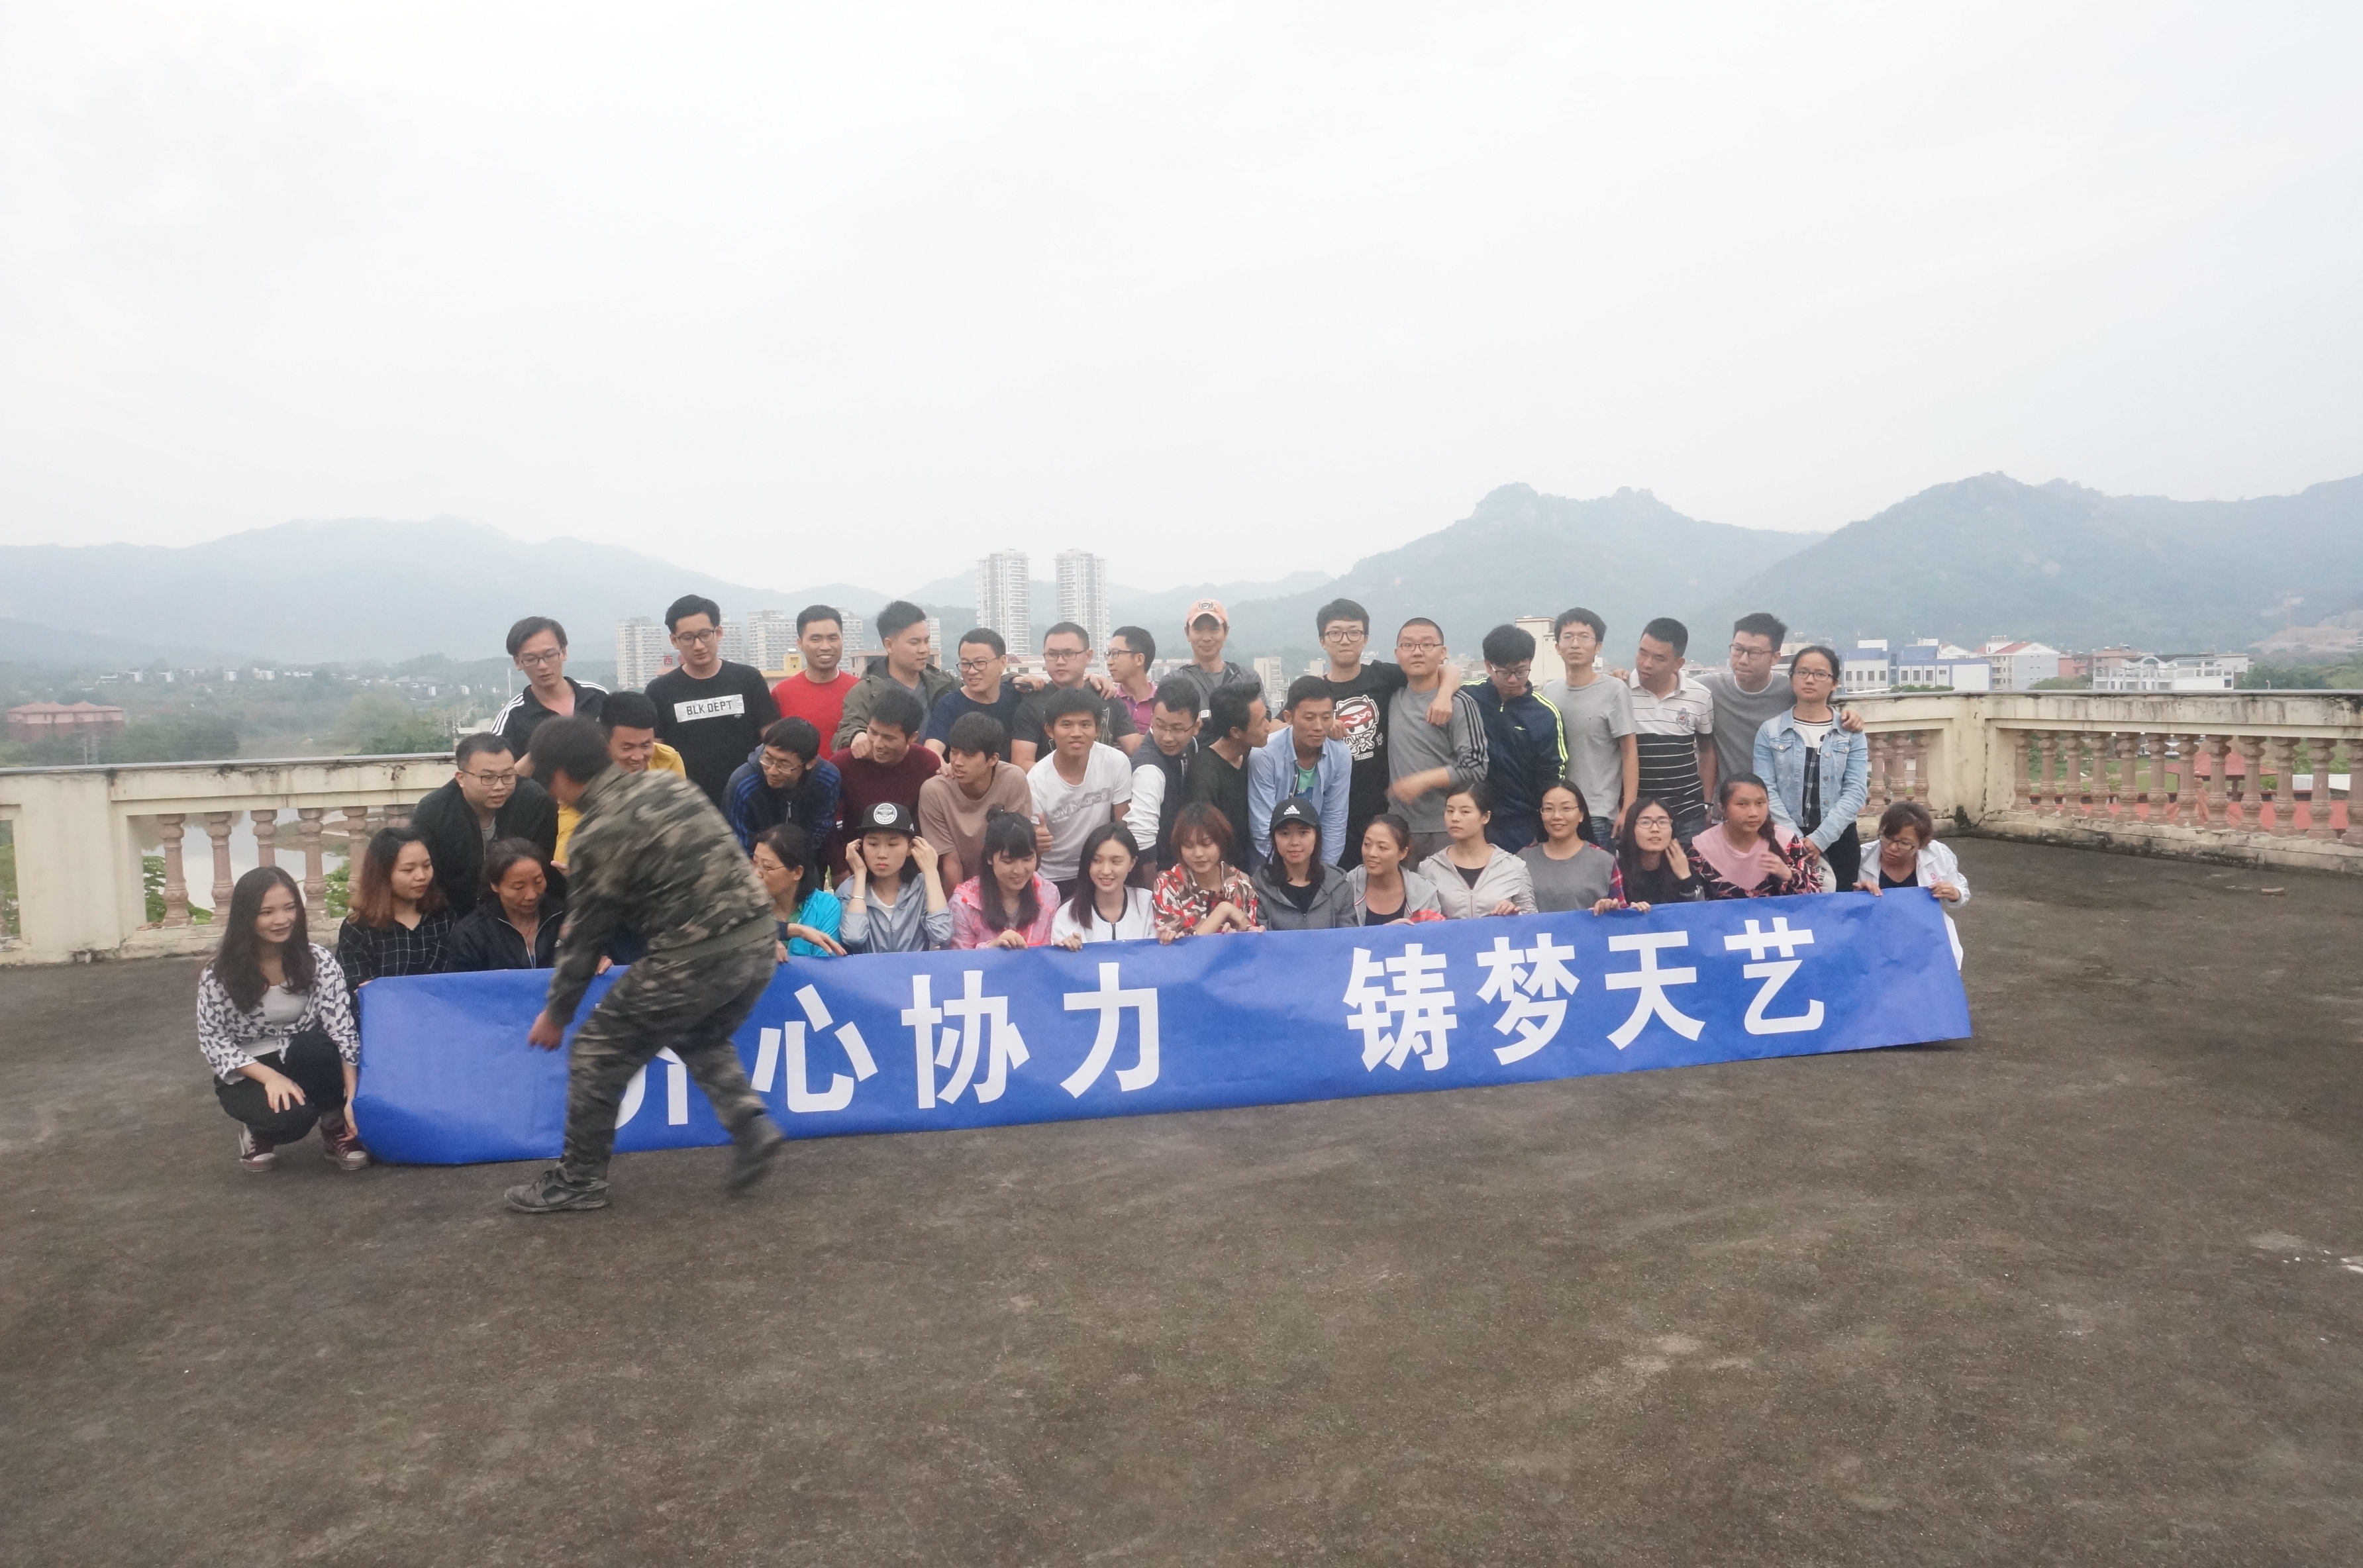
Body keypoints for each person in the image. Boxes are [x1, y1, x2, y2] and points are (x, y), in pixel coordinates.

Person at [505, 717, 789, 1213]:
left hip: (695, 956)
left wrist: (556, 1014)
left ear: (563, 777)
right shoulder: (668, 785)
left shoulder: (596, 832)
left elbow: (585, 938)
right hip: (760, 942)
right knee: (698, 1031)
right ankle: (750, 1123)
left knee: (596, 1051)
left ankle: (578, 1181)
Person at [198, 865, 369, 1173]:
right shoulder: (218, 973)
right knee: (291, 1120)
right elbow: (214, 1041)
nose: (282, 920)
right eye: (267, 912)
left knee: (315, 1046)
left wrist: (352, 1099)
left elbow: (343, 1030)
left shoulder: (318, 960)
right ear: (246, 917)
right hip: (250, 1069)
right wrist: (270, 1077)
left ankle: (335, 1124)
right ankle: (259, 1132)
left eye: (290, 908)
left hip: (303, 1055)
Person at [1313, 597, 1460, 869]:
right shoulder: (1315, 691)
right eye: (1335, 633)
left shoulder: (1382, 676)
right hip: (1333, 813)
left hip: (1383, 812)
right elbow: (1278, 725)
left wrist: (1444, 695)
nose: (1345, 640)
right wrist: (1320, 724)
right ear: (1323, 640)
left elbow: (1446, 669)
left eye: (1353, 632)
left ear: (1365, 639)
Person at [646, 593, 782, 807]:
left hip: (750, 800)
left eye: (704, 634)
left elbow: (773, 740)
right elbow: (656, 753)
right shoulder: (660, 691)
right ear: (674, 640)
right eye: (688, 637)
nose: (698, 645)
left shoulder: (748, 679)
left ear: (718, 632)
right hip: (688, 807)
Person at [1756, 645, 1871, 891]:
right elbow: (1765, 790)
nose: (1810, 680)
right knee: (1787, 904)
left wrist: (1820, 839)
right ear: (1792, 679)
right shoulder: (1771, 731)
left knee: (1840, 906)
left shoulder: (1850, 733)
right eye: (1802, 672)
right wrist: (1796, 841)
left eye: (1820, 674)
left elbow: (1855, 791)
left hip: (1839, 838)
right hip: (1783, 837)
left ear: (1834, 683)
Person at [409, 732, 558, 916]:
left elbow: (547, 867)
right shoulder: (434, 811)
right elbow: (429, 879)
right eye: (488, 778)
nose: (499, 786)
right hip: (454, 913)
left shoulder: (534, 802)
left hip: (524, 908)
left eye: (508, 776)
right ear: (461, 778)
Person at [1386, 618, 1489, 863]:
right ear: (1397, 654)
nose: (1417, 652)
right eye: (1408, 645)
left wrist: (1423, 781)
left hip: (1446, 827)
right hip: (1399, 828)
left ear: (1443, 653)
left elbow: (1477, 766)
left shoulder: (1459, 703)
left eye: (1427, 645)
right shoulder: (1391, 697)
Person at [1538, 607, 1636, 850]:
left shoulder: (1614, 690)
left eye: (1584, 637)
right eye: (1568, 637)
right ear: (1557, 646)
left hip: (1598, 813)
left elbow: (1629, 751)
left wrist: (1628, 809)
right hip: (1557, 812)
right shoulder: (1550, 692)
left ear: (1598, 646)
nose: (1575, 644)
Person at [1463, 624, 1566, 853]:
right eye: (1504, 672)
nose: (1512, 680)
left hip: (1521, 823)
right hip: (1471, 817)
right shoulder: (1468, 697)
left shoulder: (1545, 714)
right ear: (1488, 665)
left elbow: (1552, 775)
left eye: (1521, 671)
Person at [552, 691, 685, 867]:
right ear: (604, 742)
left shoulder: (668, 760)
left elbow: (680, 821)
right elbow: (569, 830)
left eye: (646, 746)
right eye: (627, 748)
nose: (638, 757)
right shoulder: (583, 772)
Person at [1029, 686, 1134, 897]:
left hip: (1100, 867)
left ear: (1098, 728)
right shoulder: (1036, 780)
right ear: (1050, 730)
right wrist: (1036, 844)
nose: (1076, 733)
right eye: (1066, 725)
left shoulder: (1116, 762)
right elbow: (1033, 852)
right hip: (1053, 875)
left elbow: (1123, 825)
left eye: (1085, 724)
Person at [917, 711, 1035, 893]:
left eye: (968, 755)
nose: (958, 762)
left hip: (1004, 882)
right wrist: (960, 904)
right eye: (954, 752)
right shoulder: (934, 791)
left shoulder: (1013, 779)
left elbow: (1016, 849)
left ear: (993, 759)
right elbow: (950, 862)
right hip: (954, 887)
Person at [334, 826, 456, 991]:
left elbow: (453, 981)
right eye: (408, 870)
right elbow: (356, 992)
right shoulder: (358, 929)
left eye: (427, 866)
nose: (421, 876)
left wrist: (390, 988)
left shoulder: (443, 918)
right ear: (382, 874)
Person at [1628, 617, 1716, 842]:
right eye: (1642, 653)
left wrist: (1707, 803)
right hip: (1638, 814)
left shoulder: (1699, 696)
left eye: (1659, 658)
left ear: (1678, 663)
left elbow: (1707, 750)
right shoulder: (1620, 691)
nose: (1647, 663)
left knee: (1688, 865)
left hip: (1687, 812)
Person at [1248, 676, 1350, 871]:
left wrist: (1322, 872)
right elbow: (1262, 827)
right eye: (1309, 718)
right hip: (1269, 864)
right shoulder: (1265, 754)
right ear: (1289, 717)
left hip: (1315, 862)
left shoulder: (1340, 754)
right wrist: (1289, 872)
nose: (1319, 727)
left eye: (1326, 718)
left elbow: (1335, 819)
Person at [1856, 799, 1970, 966]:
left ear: (1922, 844)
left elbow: (1962, 891)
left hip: (1925, 940)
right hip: (1877, 942)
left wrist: (1955, 894)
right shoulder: (1861, 857)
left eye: (1904, 843)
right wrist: (1858, 896)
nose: (1892, 848)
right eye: (1887, 837)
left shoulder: (1939, 855)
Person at [832, 599, 956, 754]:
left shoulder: (946, 684)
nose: (924, 649)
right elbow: (847, 730)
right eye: (914, 643)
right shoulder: (866, 692)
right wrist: (856, 735)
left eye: (927, 641)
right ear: (889, 645)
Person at [829, 687, 942, 854]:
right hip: (853, 861)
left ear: (912, 738)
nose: (878, 744)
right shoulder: (844, 763)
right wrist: (844, 865)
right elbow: (829, 825)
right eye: (873, 732)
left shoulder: (927, 764)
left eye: (888, 738)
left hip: (910, 861)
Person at [1012, 622, 1140, 765]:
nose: (1060, 661)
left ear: (1088, 656)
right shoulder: (1032, 702)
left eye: (1069, 654)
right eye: (1052, 654)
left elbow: (1134, 747)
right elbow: (1022, 762)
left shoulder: (1106, 695)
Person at [836, 801, 952, 953]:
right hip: (868, 969)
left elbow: (942, 935)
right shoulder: (849, 889)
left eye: (892, 845)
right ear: (860, 846)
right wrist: (859, 874)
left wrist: (931, 873)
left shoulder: (922, 886)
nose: (882, 854)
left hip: (914, 968)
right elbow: (854, 937)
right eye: (873, 844)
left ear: (910, 848)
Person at [723, 717, 841, 861]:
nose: (772, 771)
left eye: (784, 764)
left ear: (810, 763)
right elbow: (738, 843)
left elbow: (819, 830)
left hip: (804, 861)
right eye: (768, 759)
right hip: (756, 864)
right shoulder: (743, 784)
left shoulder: (827, 778)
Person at [1421, 780, 1538, 918]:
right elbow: (1421, 921)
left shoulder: (1514, 867)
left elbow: (1531, 921)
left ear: (1486, 817)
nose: (1455, 818)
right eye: (1450, 811)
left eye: (1465, 812)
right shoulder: (1429, 869)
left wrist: (1514, 915)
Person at [493, 616, 607, 756]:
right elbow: (494, 768)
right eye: (531, 659)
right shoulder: (513, 716)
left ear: (564, 652)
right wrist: (541, 751)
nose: (542, 666)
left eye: (550, 655)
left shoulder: (596, 696)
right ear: (518, 662)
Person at [1692, 774, 1819, 900]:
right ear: (1722, 807)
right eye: (1742, 804)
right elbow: (1691, 902)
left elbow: (1816, 897)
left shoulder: (1786, 841)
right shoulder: (1701, 848)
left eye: (1760, 803)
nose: (1753, 813)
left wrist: (1789, 875)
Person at [446, 838, 565, 970]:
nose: (531, 895)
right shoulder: (471, 935)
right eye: (519, 887)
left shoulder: (565, 917)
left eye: (538, 882)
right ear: (495, 886)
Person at [1184, 685, 1268, 869]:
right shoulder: (1204, 773)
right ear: (1236, 732)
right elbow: (1202, 834)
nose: (1268, 727)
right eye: (1261, 722)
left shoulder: (1252, 756)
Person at [950, 809, 1061, 949]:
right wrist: (993, 948)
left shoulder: (1048, 894)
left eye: (1027, 859)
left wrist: (1063, 946)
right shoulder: (963, 904)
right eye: (1008, 862)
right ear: (989, 858)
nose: (1019, 870)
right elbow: (959, 958)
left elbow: (1049, 948)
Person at [1152, 803, 1262, 939]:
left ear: (1222, 842)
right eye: (1188, 846)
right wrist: (1223, 910)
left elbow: (1250, 938)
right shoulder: (1167, 885)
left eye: (1207, 844)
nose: (1198, 853)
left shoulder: (1243, 883)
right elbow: (1183, 947)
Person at [1128, 679, 1201, 873]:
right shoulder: (1149, 770)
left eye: (1177, 729)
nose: (1168, 737)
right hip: (1159, 870)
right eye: (1160, 726)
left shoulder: (1191, 746)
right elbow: (1141, 838)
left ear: (1196, 726)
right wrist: (1152, 887)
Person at [1251, 797, 1356, 930]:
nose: (1295, 842)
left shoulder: (1338, 887)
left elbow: (1348, 937)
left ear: (1316, 837)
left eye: (1303, 833)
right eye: (1285, 833)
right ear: (1274, 838)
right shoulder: (1259, 887)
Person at [1052, 822, 1159, 946]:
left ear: (1132, 863)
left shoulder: (1150, 904)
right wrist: (1068, 951)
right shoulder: (1067, 914)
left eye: (1116, 861)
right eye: (1097, 861)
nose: (1106, 871)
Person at [925, 628, 1025, 760]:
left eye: (980, 663)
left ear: (1002, 663)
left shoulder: (1017, 697)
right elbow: (933, 747)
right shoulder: (949, 705)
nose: (972, 671)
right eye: (965, 664)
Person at [1519, 781, 1618, 912]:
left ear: (1581, 814)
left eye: (1566, 808)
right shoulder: (1522, 859)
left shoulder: (1605, 862)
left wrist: (1611, 907)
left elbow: (1621, 915)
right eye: (1548, 809)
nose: (1557, 816)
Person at [769, 605, 860, 748]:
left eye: (833, 638)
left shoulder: (861, 690)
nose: (825, 647)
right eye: (816, 639)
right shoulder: (781, 694)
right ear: (800, 643)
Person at [752, 822, 846, 958]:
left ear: (797, 872)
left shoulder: (825, 906)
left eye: (767, 867)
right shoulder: (744, 903)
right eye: (754, 862)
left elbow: (825, 964)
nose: (756, 873)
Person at [1160, 599, 1260, 719]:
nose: (1206, 638)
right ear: (1187, 633)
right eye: (1198, 630)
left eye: (1214, 629)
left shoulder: (1247, 679)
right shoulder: (1173, 683)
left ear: (1226, 632)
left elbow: (1261, 723)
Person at [1344, 812, 1444, 925]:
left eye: (1382, 847)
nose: (1372, 853)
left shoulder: (1424, 893)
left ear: (1403, 853)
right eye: (1367, 844)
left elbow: (1435, 934)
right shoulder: (1347, 887)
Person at [1609, 798, 1703, 911]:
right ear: (1631, 828)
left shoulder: (1682, 863)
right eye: (1645, 822)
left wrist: (1686, 878)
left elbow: (1698, 912)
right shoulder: (1614, 865)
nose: (1655, 829)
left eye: (1663, 822)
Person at [1105, 625, 1160, 737]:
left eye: (1115, 654)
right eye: (1109, 654)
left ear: (1139, 659)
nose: (1109, 662)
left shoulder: (1163, 702)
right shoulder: (1108, 701)